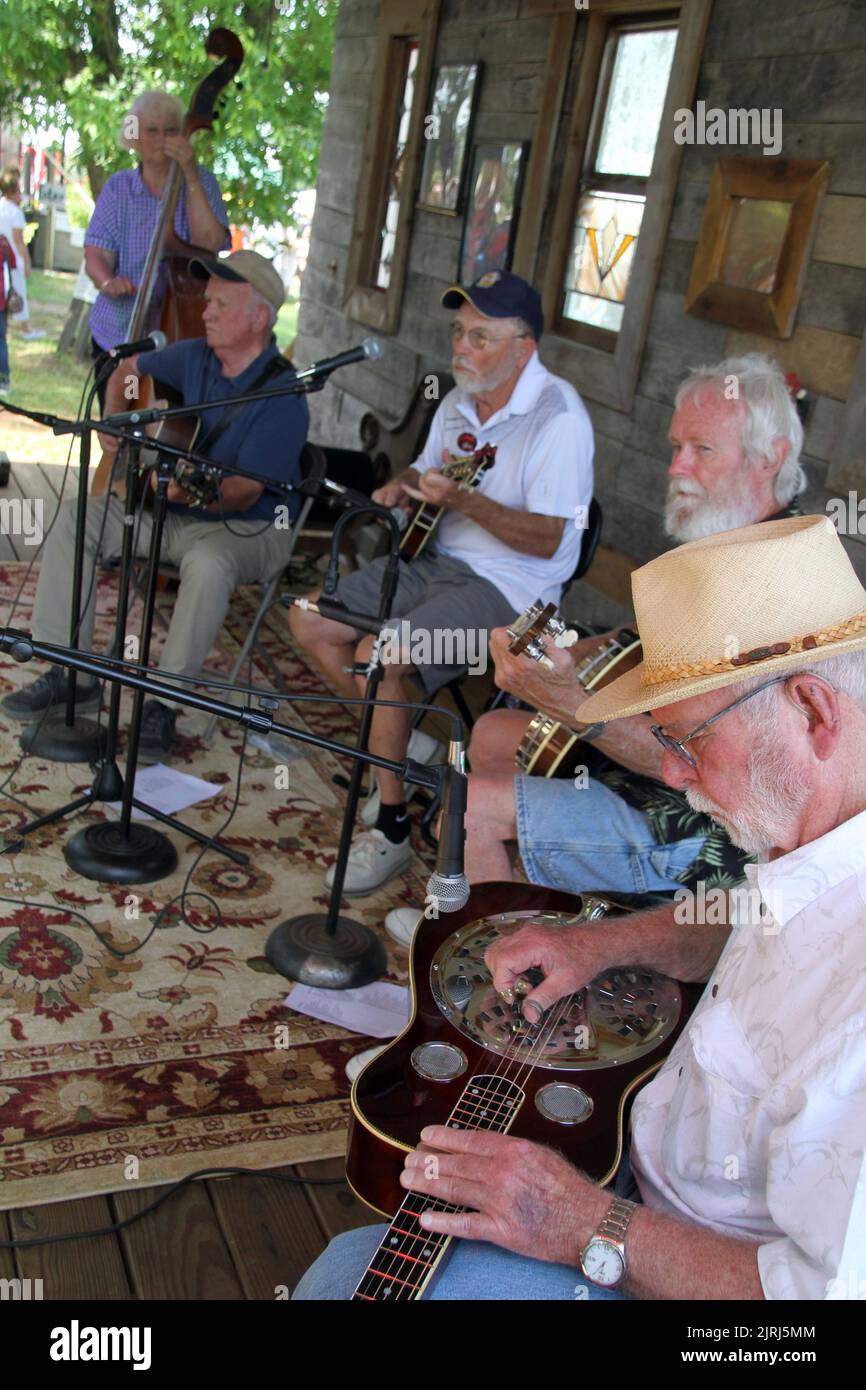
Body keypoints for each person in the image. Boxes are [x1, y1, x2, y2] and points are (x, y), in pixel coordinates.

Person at [295, 514, 866, 1300]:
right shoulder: (814, 832)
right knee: (349, 1260)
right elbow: (749, 917)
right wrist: (599, 946)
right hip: (630, 1170)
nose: (671, 774)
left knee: (345, 1279)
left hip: (692, 1274)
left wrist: (581, 1225)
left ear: (811, 712)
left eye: (689, 740)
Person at [382, 353, 807, 950]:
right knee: (493, 734)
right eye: (675, 446)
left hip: (713, 835)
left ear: (771, 457)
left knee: (471, 805)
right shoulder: (731, 542)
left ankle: (487, 967)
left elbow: (698, 773)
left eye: (702, 450)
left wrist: (572, 704)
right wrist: (585, 650)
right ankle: (532, 917)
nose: (677, 467)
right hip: (659, 768)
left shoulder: (772, 588)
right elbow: (650, 643)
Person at [288, 271, 594, 895]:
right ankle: (405, 749)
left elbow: (552, 542)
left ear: (522, 349)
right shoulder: (458, 401)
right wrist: (402, 489)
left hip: (515, 594)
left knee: (382, 655)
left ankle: (393, 823)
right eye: (459, 333)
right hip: (433, 561)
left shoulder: (558, 417)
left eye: (480, 338)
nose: (461, 348)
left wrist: (467, 502)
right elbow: (426, 470)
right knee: (307, 618)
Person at [1, 251, 309, 763]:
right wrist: (114, 424)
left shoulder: (284, 395)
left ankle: (163, 702)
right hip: (172, 514)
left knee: (208, 565)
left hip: (247, 527)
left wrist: (185, 490)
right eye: (206, 300)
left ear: (260, 318)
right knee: (78, 517)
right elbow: (127, 368)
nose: (206, 311)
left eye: (220, 303)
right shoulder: (195, 356)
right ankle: (69, 670)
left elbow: (245, 491)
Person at [84, 89, 229, 430]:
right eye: (152, 130)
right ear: (134, 136)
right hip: (121, 331)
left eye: (171, 130)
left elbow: (210, 243)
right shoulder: (119, 188)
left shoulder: (202, 179)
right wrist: (108, 281)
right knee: (122, 421)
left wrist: (190, 172)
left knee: (162, 431)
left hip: (175, 336)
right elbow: (96, 252)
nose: (162, 138)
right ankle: (113, 479)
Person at [0, 166, 43, 341]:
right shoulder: (15, 212)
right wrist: (26, 262)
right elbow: (18, 241)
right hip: (13, 259)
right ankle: (26, 328)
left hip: (1, 259)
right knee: (18, 292)